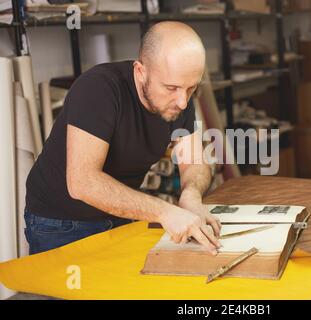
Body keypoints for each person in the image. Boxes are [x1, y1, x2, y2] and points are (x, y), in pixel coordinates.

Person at [24, 21, 221, 255]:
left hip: (120, 213)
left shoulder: (181, 99)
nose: (182, 101)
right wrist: (165, 211)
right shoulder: (99, 89)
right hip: (61, 222)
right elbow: (83, 183)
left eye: (191, 88)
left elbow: (194, 161)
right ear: (140, 72)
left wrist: (191, 196)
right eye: (171, 88)